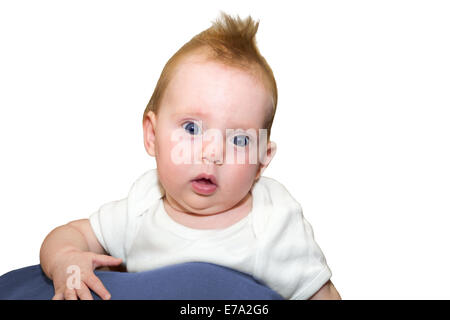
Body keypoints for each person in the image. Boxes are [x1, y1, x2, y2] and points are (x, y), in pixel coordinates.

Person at [40, 12, 341, 300]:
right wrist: (67, 260)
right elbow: (70, 234)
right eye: (192, 128)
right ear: (152, 136)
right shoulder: (142, 206)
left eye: (238, 139)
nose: (212, 152)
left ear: (262, 161)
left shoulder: (274, 223)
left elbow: (322, 295)